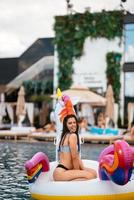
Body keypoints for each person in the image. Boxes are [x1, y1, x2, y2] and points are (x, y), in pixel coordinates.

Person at [53, 114, 97, 181]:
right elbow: (74, 157)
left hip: (60, 172)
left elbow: (76, 156)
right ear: (66, 125)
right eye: (70, 123)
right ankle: (70, 185)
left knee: (94, 173)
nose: (73, 125)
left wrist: (83, 169)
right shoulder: (73, 136)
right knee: (91, 176)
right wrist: (78, 171)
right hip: (62, 172)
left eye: (74, 122)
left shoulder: (65, 135)